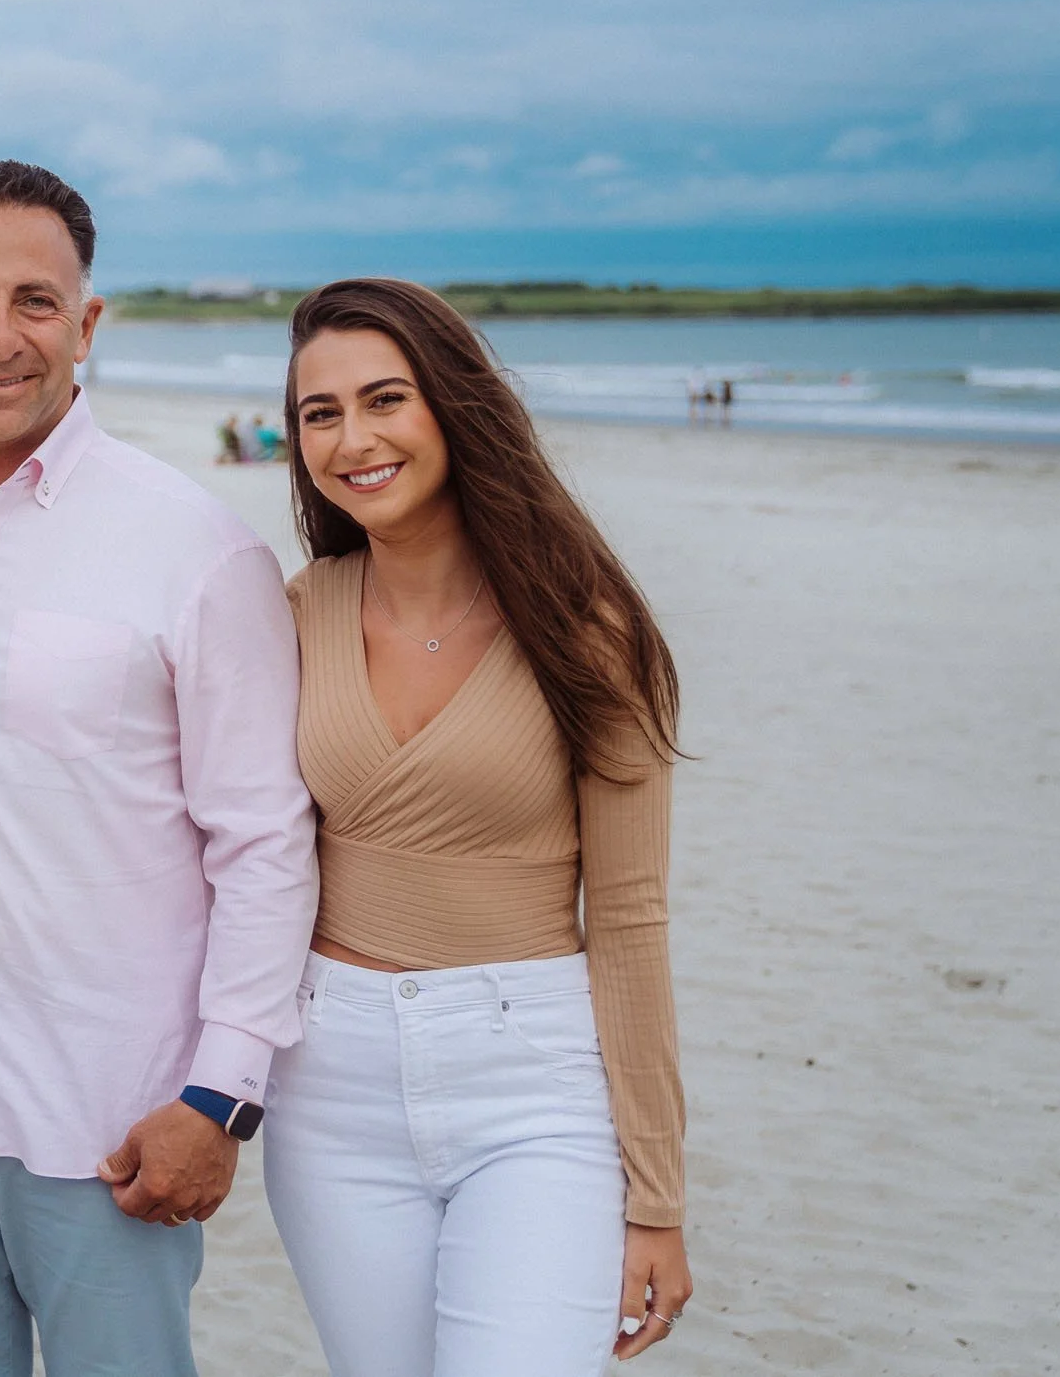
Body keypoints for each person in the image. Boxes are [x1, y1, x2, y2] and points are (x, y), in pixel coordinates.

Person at [0, 160, 320, 1377]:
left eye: (36, 300)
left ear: (86, 326)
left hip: (116, 1112)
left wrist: (220, 1098)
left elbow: (263, 838)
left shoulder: (195, 544)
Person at [266, 277, 692, 1374]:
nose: (352, 437)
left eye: (384, 399)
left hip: (532, 1085)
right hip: (330, 1083)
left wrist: (656, 1194)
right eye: (320, 412)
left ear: (454, 406)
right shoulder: (294, 611)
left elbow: (632, 916)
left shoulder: (587, 628)